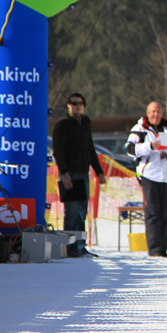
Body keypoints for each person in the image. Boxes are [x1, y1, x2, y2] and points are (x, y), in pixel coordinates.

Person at [51, 92, 106, 257]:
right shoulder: (63, 124)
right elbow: (58, 151)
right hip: (70, 174)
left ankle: (80, 246)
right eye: (74, 103)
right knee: (72, 212)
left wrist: (99, 172)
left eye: (80, 104)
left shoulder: (85, 124)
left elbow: (91, 150)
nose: (78, 106)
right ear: (68, 105)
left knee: (82, 212)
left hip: (83, 173)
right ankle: (70, 248)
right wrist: (64, 172)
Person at [126, 101, 167, 257]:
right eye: (153, 112)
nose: (156, 115)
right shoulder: (139, 129)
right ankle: (155, 249)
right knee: (153, 212)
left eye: (159, 112)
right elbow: (130, 149)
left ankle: (163, 248)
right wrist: (149, 146)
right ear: (147, 113)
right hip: (149, 175)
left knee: (165, 213)